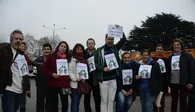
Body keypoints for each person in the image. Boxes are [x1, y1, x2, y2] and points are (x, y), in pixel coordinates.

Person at [94, 29, 126, 112]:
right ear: (105, 39)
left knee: (111, 100)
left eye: (112, 39)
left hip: (113, 78)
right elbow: (95, 64)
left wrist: (119, 30)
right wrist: (103, 68)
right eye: (108, 39)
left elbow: (123, 40)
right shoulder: (99, 50)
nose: (110, 41)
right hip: (103, 79)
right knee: (104, 100)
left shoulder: (115, 48)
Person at [0, 30, 31, 112]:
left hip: (20, 90)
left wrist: (27, 87)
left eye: (20, 39)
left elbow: (25, 72)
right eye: (16, 38)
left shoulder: (22, 54)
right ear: (11, 39)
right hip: (8, 89)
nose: (18, 41)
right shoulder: (3, 49)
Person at [167, 39, 195, 112]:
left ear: (181, 46)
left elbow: (193, 70)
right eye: (175, 45)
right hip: (173, 83)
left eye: (178, 44)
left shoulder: (188, 56)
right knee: (174, 101)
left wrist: (191, 82)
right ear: (172, 46)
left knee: (183, 102)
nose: (176, 46)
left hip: (184, 83)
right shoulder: (170, 57)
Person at [43, 41, 71, 112]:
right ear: (58, 47)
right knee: (53, 103)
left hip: (64, 84)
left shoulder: (68, 58)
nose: (63, 48)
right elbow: (45, 68)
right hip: (53, 83)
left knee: (65, 104)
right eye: (61, 46)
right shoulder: (52, 56)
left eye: (65, 47)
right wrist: (52, 74)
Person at [33, 43, 52, 112]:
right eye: (45, 49)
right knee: (40, 102)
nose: (46, 50)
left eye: (48, 49)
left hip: (51, 85)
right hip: (40, 85)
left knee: (49, 103)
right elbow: (32, 67)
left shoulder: (53, 60)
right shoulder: (38, 59)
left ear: (51, 50)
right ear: (42, 50)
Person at [69, 43, 87, 112]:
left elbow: (84, 71)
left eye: (81, 49)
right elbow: (70, 71)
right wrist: (75, 78)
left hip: (81, 84)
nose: (79, 50)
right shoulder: (72, 59)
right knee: (75, 101)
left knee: (78, 102)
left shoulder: (83, 60)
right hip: (74, 84)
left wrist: (83, 78)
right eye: (78, 49)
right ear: (75, 50)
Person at [84, 38, 100, 112]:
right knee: (86, 99)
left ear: (94, 44)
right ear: (87, 44)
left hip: (96, 79)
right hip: (87, 79)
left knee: (97, 99)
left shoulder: (98, 53)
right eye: (89, 43)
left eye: (92, 43)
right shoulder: (84, 53)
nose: (90, 44)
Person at [152, 44, 169, 112]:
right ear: (155, 50)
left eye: (161, 49)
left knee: (162, 100)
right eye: (158, 49)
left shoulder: (166, 60)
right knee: (154, 100)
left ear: (163, 51)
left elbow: (168, 71)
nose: (159, 50)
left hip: (163, 82)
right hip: (154, 83)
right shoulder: (152, 60)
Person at [18, 41, 32, 112]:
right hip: (15, 80)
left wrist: (30, 68)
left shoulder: (25, 56)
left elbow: (30, 65)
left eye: (24, 46)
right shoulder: (14, 55)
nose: (22, 47)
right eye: (21, 46)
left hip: (24, 80)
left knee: (23, 101)